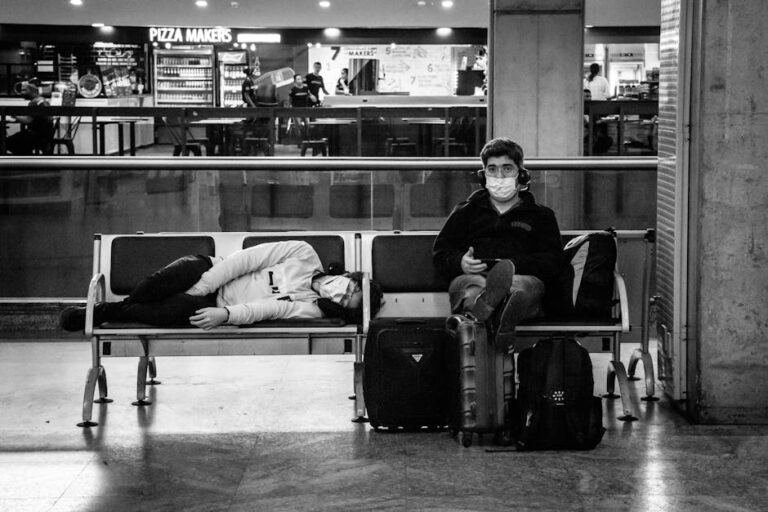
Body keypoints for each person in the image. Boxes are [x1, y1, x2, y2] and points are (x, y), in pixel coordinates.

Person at [60, 240, 383, 332]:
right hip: (208, 270)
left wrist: (225, 315)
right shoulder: (303, 253)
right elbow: (244, 260)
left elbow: (267, 309)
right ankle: (106, 312)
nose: (342, 293)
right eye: (351, 288)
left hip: (214, 304)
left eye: (346, 301)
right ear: (352, 277)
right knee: (159, 284)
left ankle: (101, 312)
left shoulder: (310, 308)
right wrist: (201, 287)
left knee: (170, 313)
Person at [432, 137, 564, 336]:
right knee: (472, 289)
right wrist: (461, 262)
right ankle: (500, 318)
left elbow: (553, 261)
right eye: (492, 169)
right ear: (483, 175)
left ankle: (483, 315)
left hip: (520, 278)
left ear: (521, 175)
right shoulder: (466, 212)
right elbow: (441, 253)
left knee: (520, 287)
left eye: (507, 168)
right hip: (474, 278)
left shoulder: (541, 216)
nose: (499, 175)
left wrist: (513, 266)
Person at [6, 82, 54, 155]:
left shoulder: (34, 103)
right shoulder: (42, 100)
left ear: (32, 91)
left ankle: (22, 162)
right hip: (45, 135)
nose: (21, 93)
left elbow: (28, 120)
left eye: (24, 90)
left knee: (8, 142)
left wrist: (15, 115)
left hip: (37, 136)